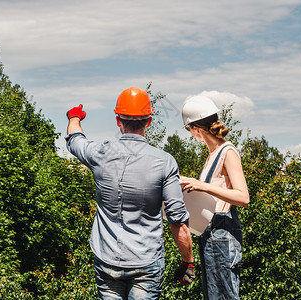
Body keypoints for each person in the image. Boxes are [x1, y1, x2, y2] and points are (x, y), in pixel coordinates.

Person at [65, 87, 195, 299]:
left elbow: (74, 138)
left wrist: (74, 116)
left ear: (118, 120)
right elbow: (177, 220)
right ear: (149, 121)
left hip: (107, 259)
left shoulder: (99, 153)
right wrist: (187, 261)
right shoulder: (165, 162)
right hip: (146, 261)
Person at [179, 95, 250, 300]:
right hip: (210, 233)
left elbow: (243, 197)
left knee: (225, 295)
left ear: (196, 129)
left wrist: (202, 185)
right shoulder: (212, 154)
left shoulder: (228, 152)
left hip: (223, 232)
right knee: (213, 295)